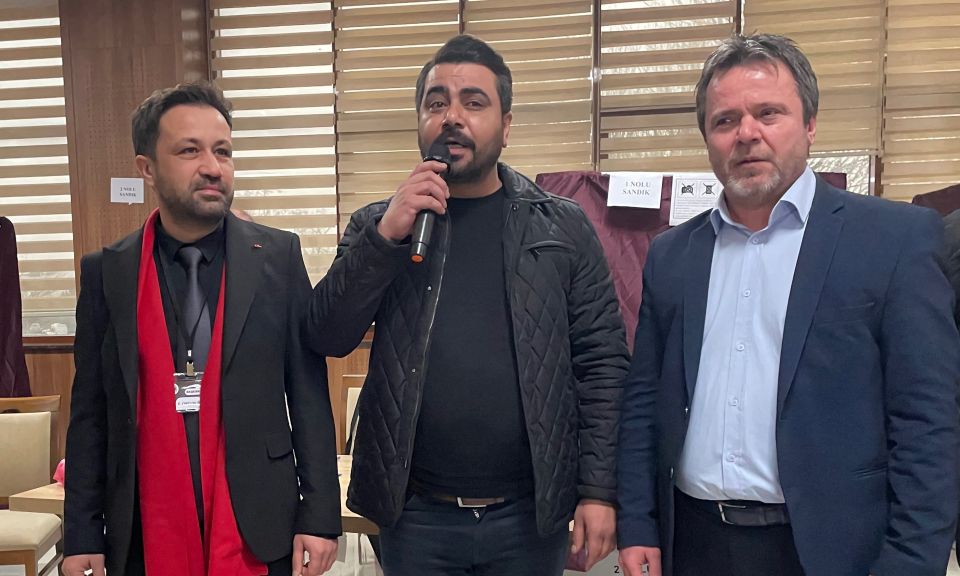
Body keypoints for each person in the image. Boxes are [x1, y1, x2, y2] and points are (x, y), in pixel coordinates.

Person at [617, 33, 960, 576]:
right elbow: (644, 403)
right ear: (707, 137)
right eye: (725, 120)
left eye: (768, 113)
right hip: (694, 543)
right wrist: (637, 523)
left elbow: (928, 423)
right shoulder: (672, 254)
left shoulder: (894, 240)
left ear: (810, 124)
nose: (746, 134)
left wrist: (912, 562)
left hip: (831, 550)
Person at [304, 34, 630, 575]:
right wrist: (385, 238)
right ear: (420, 121)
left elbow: (602, 364)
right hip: (415, 516)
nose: (452, 117)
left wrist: (598, 488)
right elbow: (326, 335)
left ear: (506, 125)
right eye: (436, 103)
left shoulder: (562, 226)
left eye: (473, 102)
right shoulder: (378, 225)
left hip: (528, 517)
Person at [62, 82, 341, 576]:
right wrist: (82, 532)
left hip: (259, 520)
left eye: (223, 151)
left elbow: (308, 395)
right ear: (147, 167)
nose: (213, 167)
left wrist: (320, 516)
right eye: (190, 151)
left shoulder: (277, 257)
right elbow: (90, 413)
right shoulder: (109, 272)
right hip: (142, 527)